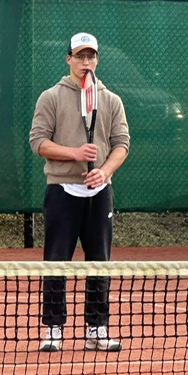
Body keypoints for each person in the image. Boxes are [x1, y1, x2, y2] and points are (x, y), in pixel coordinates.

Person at [29, 32, 130, 353]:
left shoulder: (111, 101)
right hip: (62, 190)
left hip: (100, 194)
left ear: (96, 60)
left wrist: (105, 171)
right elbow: (38, 142)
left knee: (100, 263)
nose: (86, 62)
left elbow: (121, 144)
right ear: (68, 59)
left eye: (91, 56)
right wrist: (74, 153)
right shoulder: (50, 97)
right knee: (55, 263)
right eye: (80, 56)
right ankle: (54, 329)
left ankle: (97, 329)